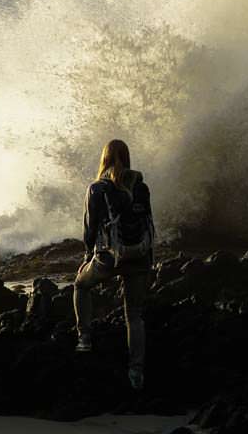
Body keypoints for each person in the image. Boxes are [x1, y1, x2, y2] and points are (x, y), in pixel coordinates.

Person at [73, 138, 155, 390]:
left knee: (80, 285)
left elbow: (90, 229)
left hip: (108, 258)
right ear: (127, 158)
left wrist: (88, 256)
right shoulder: (141, 187)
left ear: (104, 159)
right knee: (134, 315)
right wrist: (149, 262)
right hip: (139, 257)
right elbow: (149, 224)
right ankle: (136, 373)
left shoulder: (97, 188)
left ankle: (84, 337)